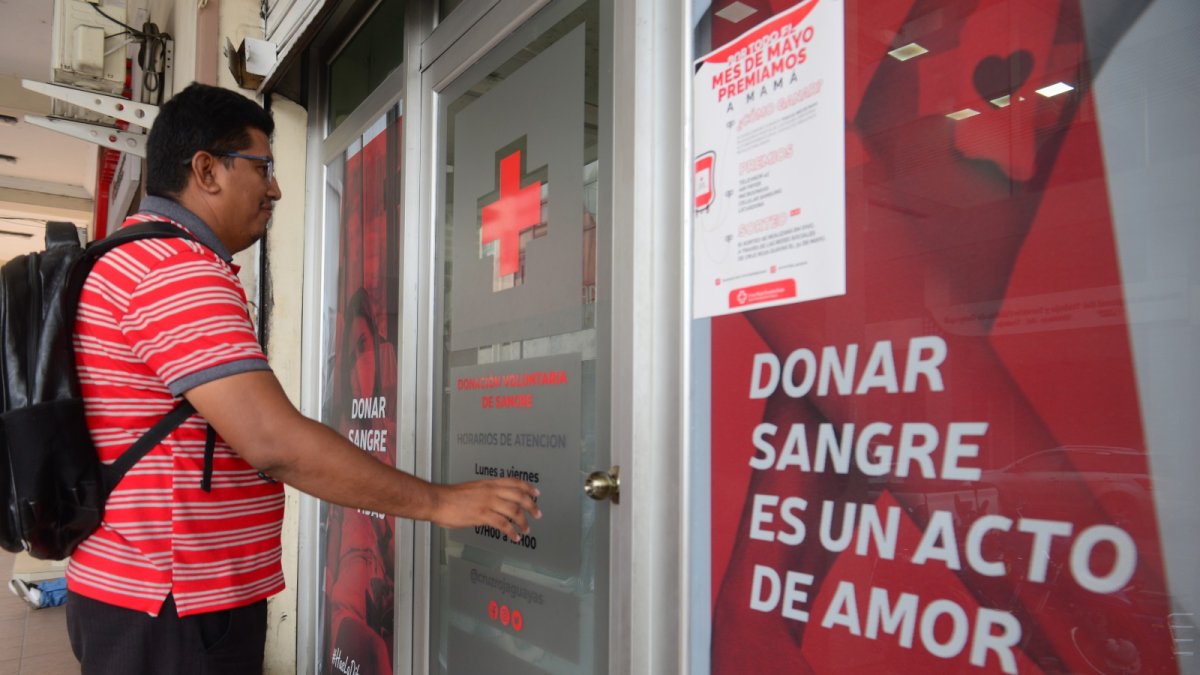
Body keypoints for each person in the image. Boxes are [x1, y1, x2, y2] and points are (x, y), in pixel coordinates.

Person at [65, 82, 541, 675]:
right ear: (206, 171)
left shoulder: (137, 259)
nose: (276, 189)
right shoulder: (172, 272)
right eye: (261, 167)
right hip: (169, 601)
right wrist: (442, 503)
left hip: (150, 591)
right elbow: (274, 443)